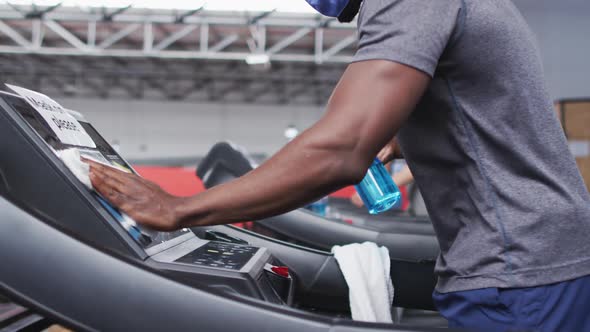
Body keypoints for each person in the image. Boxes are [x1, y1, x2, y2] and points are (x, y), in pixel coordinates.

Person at [85, 0, 590, 330]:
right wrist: (409, 136)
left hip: (517, 272)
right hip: (536, 256)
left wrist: (181, 209)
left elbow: (341, 150)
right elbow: (488, 112)